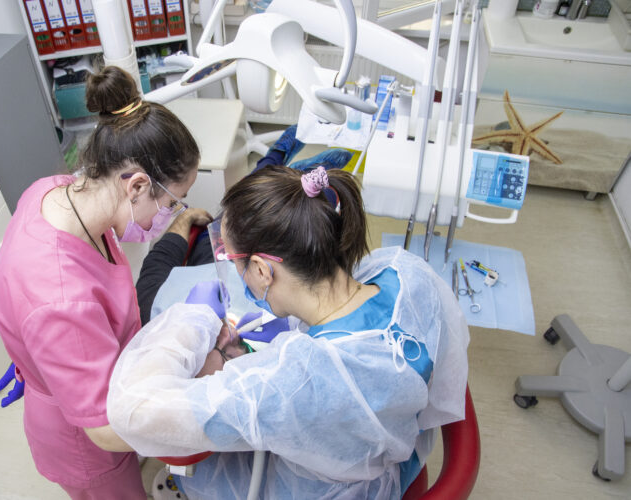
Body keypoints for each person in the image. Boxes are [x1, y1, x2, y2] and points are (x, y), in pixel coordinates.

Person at [106, 165, 470, 499]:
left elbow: (133, 411)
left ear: (262, 271)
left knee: (199, 471)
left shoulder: (292, 382)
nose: (236, 273)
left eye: (234, 263)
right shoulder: (407, 273)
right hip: (386, 459)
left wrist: (194, 318)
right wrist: (299, 329)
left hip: (319, 490)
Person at [0, 66, 203, 500]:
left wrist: (41, 351)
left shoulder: (58, 193)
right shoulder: (61, 298)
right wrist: (201, 419)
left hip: (88, 375)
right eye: (172, 202)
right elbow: (105, 430)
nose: (170, 215)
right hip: (88, 446)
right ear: (137, 185)